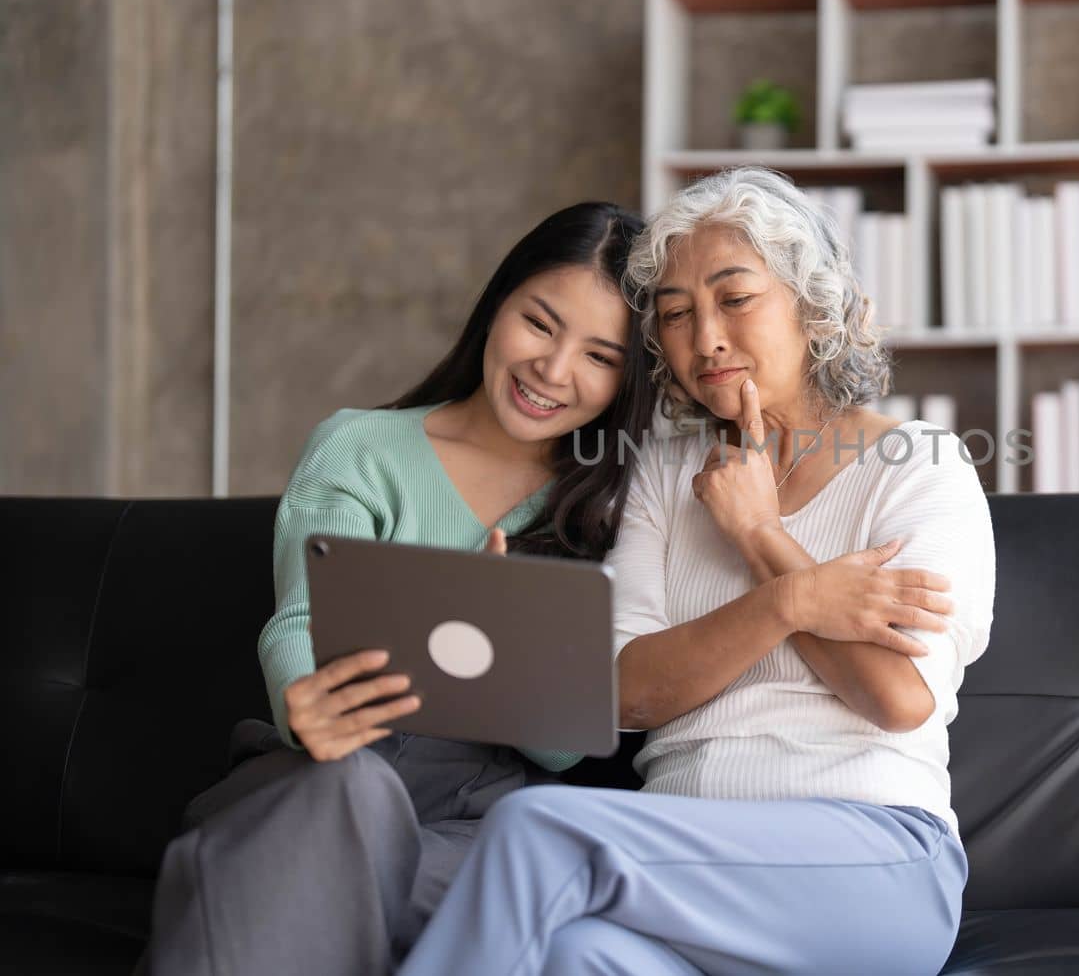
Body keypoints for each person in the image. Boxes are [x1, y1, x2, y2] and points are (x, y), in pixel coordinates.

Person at [398, 166, 996, 975]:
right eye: (676, 315)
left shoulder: (917, 464)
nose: (704, 337)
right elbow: (624, 692)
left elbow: (896, 697)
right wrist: (797, 599)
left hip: (871, 857)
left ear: (813, 307)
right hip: (682, 872)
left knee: (535, 831)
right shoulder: (664, 471)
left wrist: (758, 534)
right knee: (573, 956)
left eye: (735, 298)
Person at [144, 202, 655, 975]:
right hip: (324, 772)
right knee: (350, 796)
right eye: (540, 324)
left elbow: (556, 747)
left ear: (627, 380)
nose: (554, 370)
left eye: (599, 355)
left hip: (473, 820)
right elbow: (300, 618)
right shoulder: (362, 447)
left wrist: (509, 631)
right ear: (497, 306)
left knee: (530, 892)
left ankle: (233, 900)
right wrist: (303, 703)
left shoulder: (609, 507)